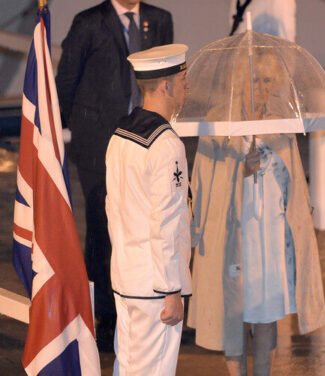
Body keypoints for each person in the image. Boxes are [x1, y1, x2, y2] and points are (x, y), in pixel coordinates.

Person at [187, 51, 325, 376]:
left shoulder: (280, 122)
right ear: (239, 82)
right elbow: (204, 184)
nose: (262, 88)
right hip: (233, 234)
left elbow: (293, 180)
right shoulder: (218, 122)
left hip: (270, 235)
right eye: (254, 80)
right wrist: (241, 165)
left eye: (267, 81)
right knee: (233, 314)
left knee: (267, 313)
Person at [56, 0, 173, 347]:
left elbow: (167, 80)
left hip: (145, 140)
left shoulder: (159, 19)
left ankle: (144, 301)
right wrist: (64, 130)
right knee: (101, 229)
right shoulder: (89, 22)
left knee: (145, 221)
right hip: (96, 145)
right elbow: (66, 80)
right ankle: (104, 314)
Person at [104, 43, 191, 375]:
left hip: (126, 275)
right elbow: (165, 221)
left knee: (127, 367)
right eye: (184, 79)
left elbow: (113, 207)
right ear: (166, 86)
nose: (188, 86)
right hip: (155, 285)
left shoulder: (120, 135)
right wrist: (171, 289)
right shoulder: (166, 145)